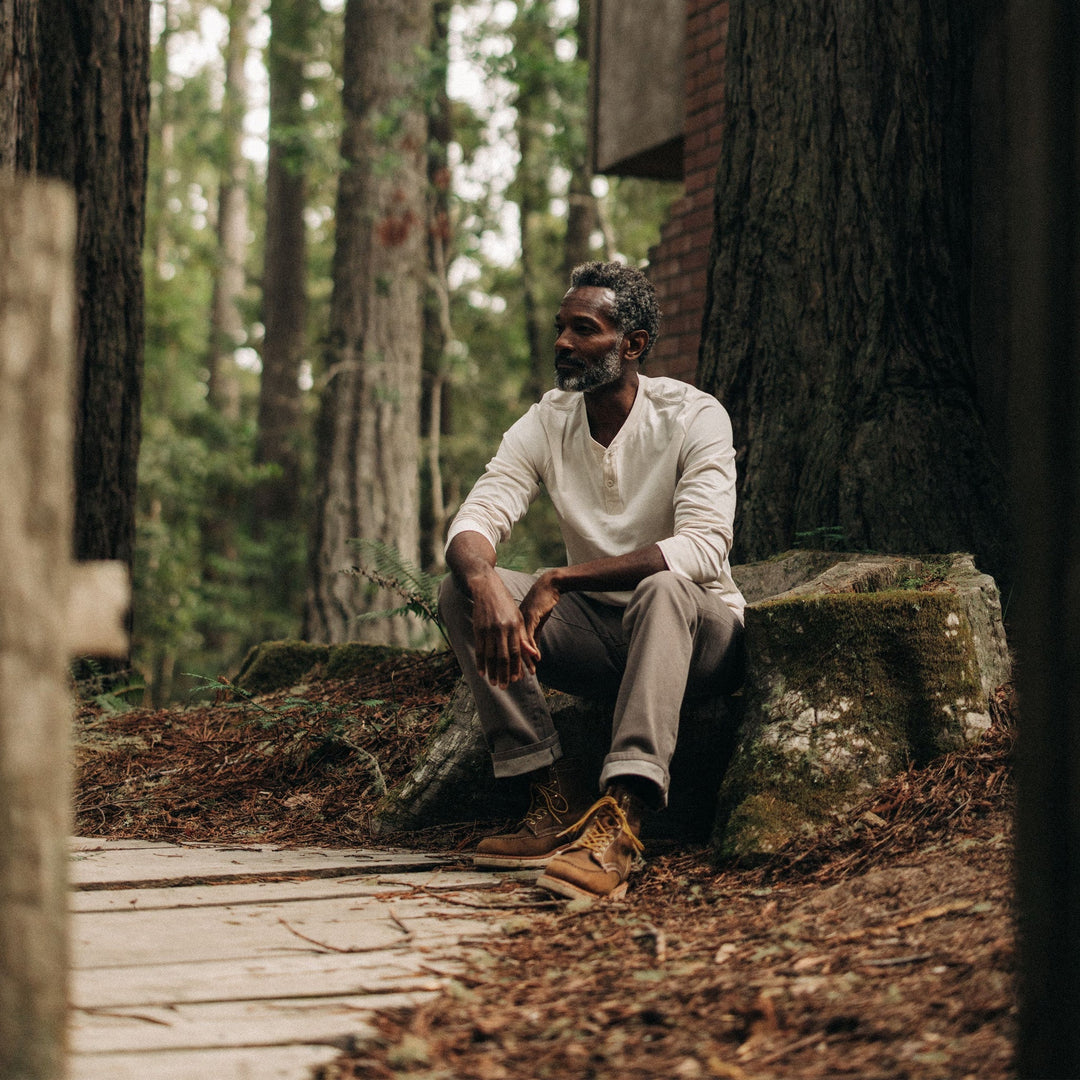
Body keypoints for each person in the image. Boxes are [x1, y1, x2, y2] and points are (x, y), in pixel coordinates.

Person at [439, 261, 745, 901]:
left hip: (697, 636)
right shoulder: (549, 420)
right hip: (600, 639)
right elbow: (479, 513)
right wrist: (485, 579)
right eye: (560, 329)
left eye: (584, 329)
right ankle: (549, 796)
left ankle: (622, 816)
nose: (563, 344)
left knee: (663, 590)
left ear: (631, 344)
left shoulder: (694, 416)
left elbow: (704, 547)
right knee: (460, 589)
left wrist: (562, 578)